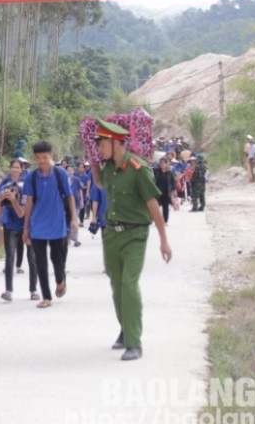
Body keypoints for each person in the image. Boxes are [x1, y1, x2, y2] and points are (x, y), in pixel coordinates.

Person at [93, 119, 172, 361]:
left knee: (128, 284)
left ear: (116, 143)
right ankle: (125, 328)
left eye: (102, 144)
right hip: (111, 236)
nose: (99, 148)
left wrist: (163, 240)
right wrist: (93, 162)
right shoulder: (107, 167)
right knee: (116, 286)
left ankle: (134, 342)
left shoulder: (139, 168)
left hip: (135, 234)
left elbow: (153, 205)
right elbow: (99, 182)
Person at [23, 141, 78, 308]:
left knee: (58, 259)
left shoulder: (59, 173)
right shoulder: (31, 177)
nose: (42, 161)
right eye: (38, 158)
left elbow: (69, 197)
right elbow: (29, 202)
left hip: (57, 223)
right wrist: (26, 228)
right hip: (38, 224)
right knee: (40, 261)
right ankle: (46, 297)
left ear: (51, 156)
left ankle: (60, 279)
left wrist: (74, 218)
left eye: (45, 157)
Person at [0, 159, 38, 302]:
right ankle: (8, 290)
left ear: (22, 169)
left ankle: (33, 290)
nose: (14, 169)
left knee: (31, 258)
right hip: (9, 225)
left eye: (17, 167)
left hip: (26, 225)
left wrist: (13, 200)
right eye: (12, 167)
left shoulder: (26, 186)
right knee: (9, 257)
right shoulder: (4, 184)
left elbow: (21, 213)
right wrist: (0, 199)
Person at [153, 157, 177, 223]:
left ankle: (165, 221)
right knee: (156, 207)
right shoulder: (156, 171)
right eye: (160, 163)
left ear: (166, 164)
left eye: (163, 163)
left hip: (166, 192)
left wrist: (174, 190)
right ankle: (157, 220)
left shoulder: (170, 172)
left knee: (165, 207)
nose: (161, 164)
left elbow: (173, 182)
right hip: (157, 192)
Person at [67, 165, 82, 247]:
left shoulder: (76, 180)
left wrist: (82, 201)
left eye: (71, 170)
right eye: (68, 170)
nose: (69, 171)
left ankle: (75, 239)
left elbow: (80, 191)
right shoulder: (64, 180)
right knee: (68, 221)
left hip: (76, 203)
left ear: (73, 171)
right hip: (66, 204)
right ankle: (68, 238)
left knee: (75, 220)